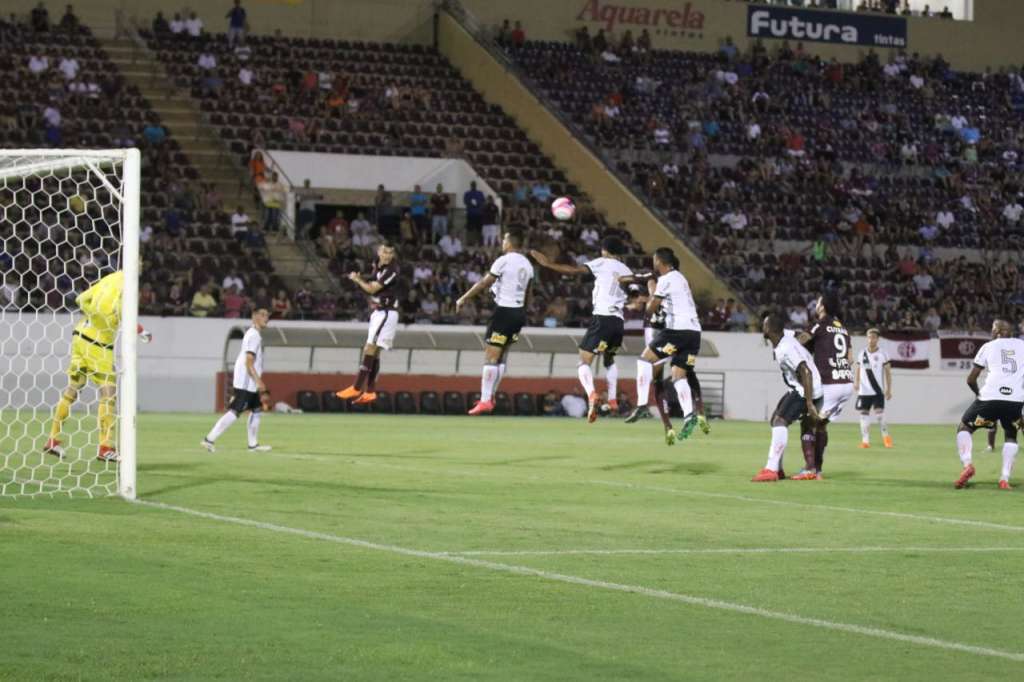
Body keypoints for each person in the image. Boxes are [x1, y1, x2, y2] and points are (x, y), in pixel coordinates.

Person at [44, 270, 153, 462]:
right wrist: (141, 330)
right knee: (109, 394)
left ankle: (53, 440)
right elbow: (122, 313)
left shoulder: (108, 280)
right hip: (98, 344)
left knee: (72, 390)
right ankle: (105, 447)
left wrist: (94, 316)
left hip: (79, 336)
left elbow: (80, 299)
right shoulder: (126, 286)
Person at [531, 236, 631, 422]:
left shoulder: (603, 262)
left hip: (603, 318)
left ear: (605, 250)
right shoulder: (626, 270)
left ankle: (592, 394)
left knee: (583, 362)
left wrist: (548, 264)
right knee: (609, 360)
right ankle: (613, 399)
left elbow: (574, 270)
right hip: (618, 322)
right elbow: (634, 292)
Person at [625, 248, 707, 443]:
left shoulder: (666, 279)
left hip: (677, 331)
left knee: (644, 360)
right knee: (679, 376)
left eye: (654, 260)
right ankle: (689, 415)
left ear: (659, 261)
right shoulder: (681, 278)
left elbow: (652, 307)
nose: (653, 263)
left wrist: (647, 308)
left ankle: (643, 404)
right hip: (694, 334)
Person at [456, 228, 534, 415]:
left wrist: (464, 298)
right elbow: (529, 294)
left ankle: (485, 400)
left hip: (504, 312)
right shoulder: (528, 265)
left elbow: (484, 283)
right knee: (501, 356)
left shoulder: (504, 261)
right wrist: (523, 314)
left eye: (504, 239)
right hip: (518, 314)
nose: (502, 242)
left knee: (491, 356)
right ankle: (490, 396)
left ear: (510, 242)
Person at [952, 320, 1024, 490]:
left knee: (964, 428)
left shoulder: (988, 346)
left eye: (992, 329)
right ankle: (1004, 479)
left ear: (998, 331)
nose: (991, 332)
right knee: (1011, 435)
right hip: (1014, 401)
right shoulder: (1022, 345)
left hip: (989, 399)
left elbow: (971, 379)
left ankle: (968, 465)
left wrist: (979, 394)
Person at [752, 315, 823, 482]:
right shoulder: (787, 336)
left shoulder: (785, 348)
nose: (762, 327)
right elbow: (802, 335)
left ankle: (771, 469)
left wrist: (809, 403)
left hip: (807, 389)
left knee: (780, 422)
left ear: (769, 328)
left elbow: (806, 371)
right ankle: (778, 469)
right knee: (775, 419)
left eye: (764, 325)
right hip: (800, 387)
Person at [795, 293, 854, 478]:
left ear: (822, 307)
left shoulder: (819, 325)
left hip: (830, 383)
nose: (816, 305)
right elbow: (850, 358)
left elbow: (803, 340)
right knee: (821, 426)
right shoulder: (842, 328)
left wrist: (793, 340)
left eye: (818, 302)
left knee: (807, 422)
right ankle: (818, 470)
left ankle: (809, 468)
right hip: (846, 383)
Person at [336, 243, 401, 406]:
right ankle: (370, 391)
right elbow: (372, 280)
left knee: (369, 348)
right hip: (379, 312)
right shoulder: (377, 266)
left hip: (386, 312)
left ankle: (357, 387)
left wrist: (358, 280)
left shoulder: (392, 270)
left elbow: (372, 289)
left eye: (390, 252)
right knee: (375, 353)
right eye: (385, 251)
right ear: (379, 252)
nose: (387, 255)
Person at [201, 308, 272, 453]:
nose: (266, 318)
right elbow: (249, 362)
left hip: (248, 380)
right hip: (247, 380)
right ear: (254, 317)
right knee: (235, 411)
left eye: (267, 315)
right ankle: (209, 439)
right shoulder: (253, 336)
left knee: (256, 410)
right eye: (263, 315)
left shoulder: (254, 334)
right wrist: (259, 381)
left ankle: (253, 445)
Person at [853, 328, 894, 448]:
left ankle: (887, 438)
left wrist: (888, 389)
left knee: (880, 415)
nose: (871, 340)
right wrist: (856, 382)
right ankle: (865, 441)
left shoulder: (883, 354)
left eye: (874, 337)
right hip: (864, 391)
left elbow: (888, 372)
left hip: (877, 390)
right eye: (869, 337)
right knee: (863, 415)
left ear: (877, 339)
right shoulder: (862, 353)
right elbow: (858, 369)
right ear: (867, 338)